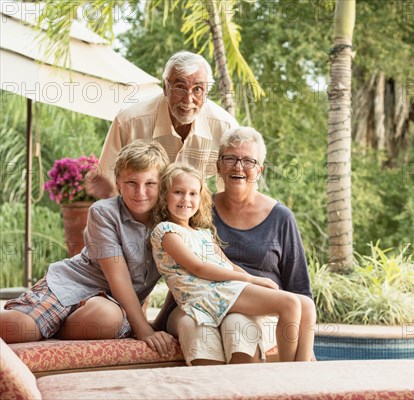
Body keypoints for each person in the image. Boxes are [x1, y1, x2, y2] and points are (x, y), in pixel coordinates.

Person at [156, 126, 316, 365]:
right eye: (230, 158)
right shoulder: (198, 210)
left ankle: (295, 380)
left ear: (259, 170)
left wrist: (306, 346)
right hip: (203, 300)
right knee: (199, 324)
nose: (238, 167)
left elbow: (298, 286)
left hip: (259, 306)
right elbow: (186, 269)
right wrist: (155, 325)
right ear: (219, 166)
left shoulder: (281, 218)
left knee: (239, 324)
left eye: (249, 161)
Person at [0, 141, 174, 356]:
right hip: (70, 285)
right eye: (131, 182)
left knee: (106, 319)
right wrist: (143, 329)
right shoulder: (103, 213)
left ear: (163, 185)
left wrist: (157, 324)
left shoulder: (170, 223)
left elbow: (180, 278)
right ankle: (44, 321)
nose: (140, 192)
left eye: (150, 183)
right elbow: (118, 278)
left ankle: (53, 326)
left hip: (111, 305)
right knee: (18, 328)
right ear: (118, 182)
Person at [88, 51, 238, 199]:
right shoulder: (129, 121)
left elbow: (232, 192)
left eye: (198, 89)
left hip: (192, 214)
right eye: (180, 87)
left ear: (206, 93)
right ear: (165, 88)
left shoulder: (226, 128)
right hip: (139, 216)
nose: (188, 99)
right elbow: (106, 183)